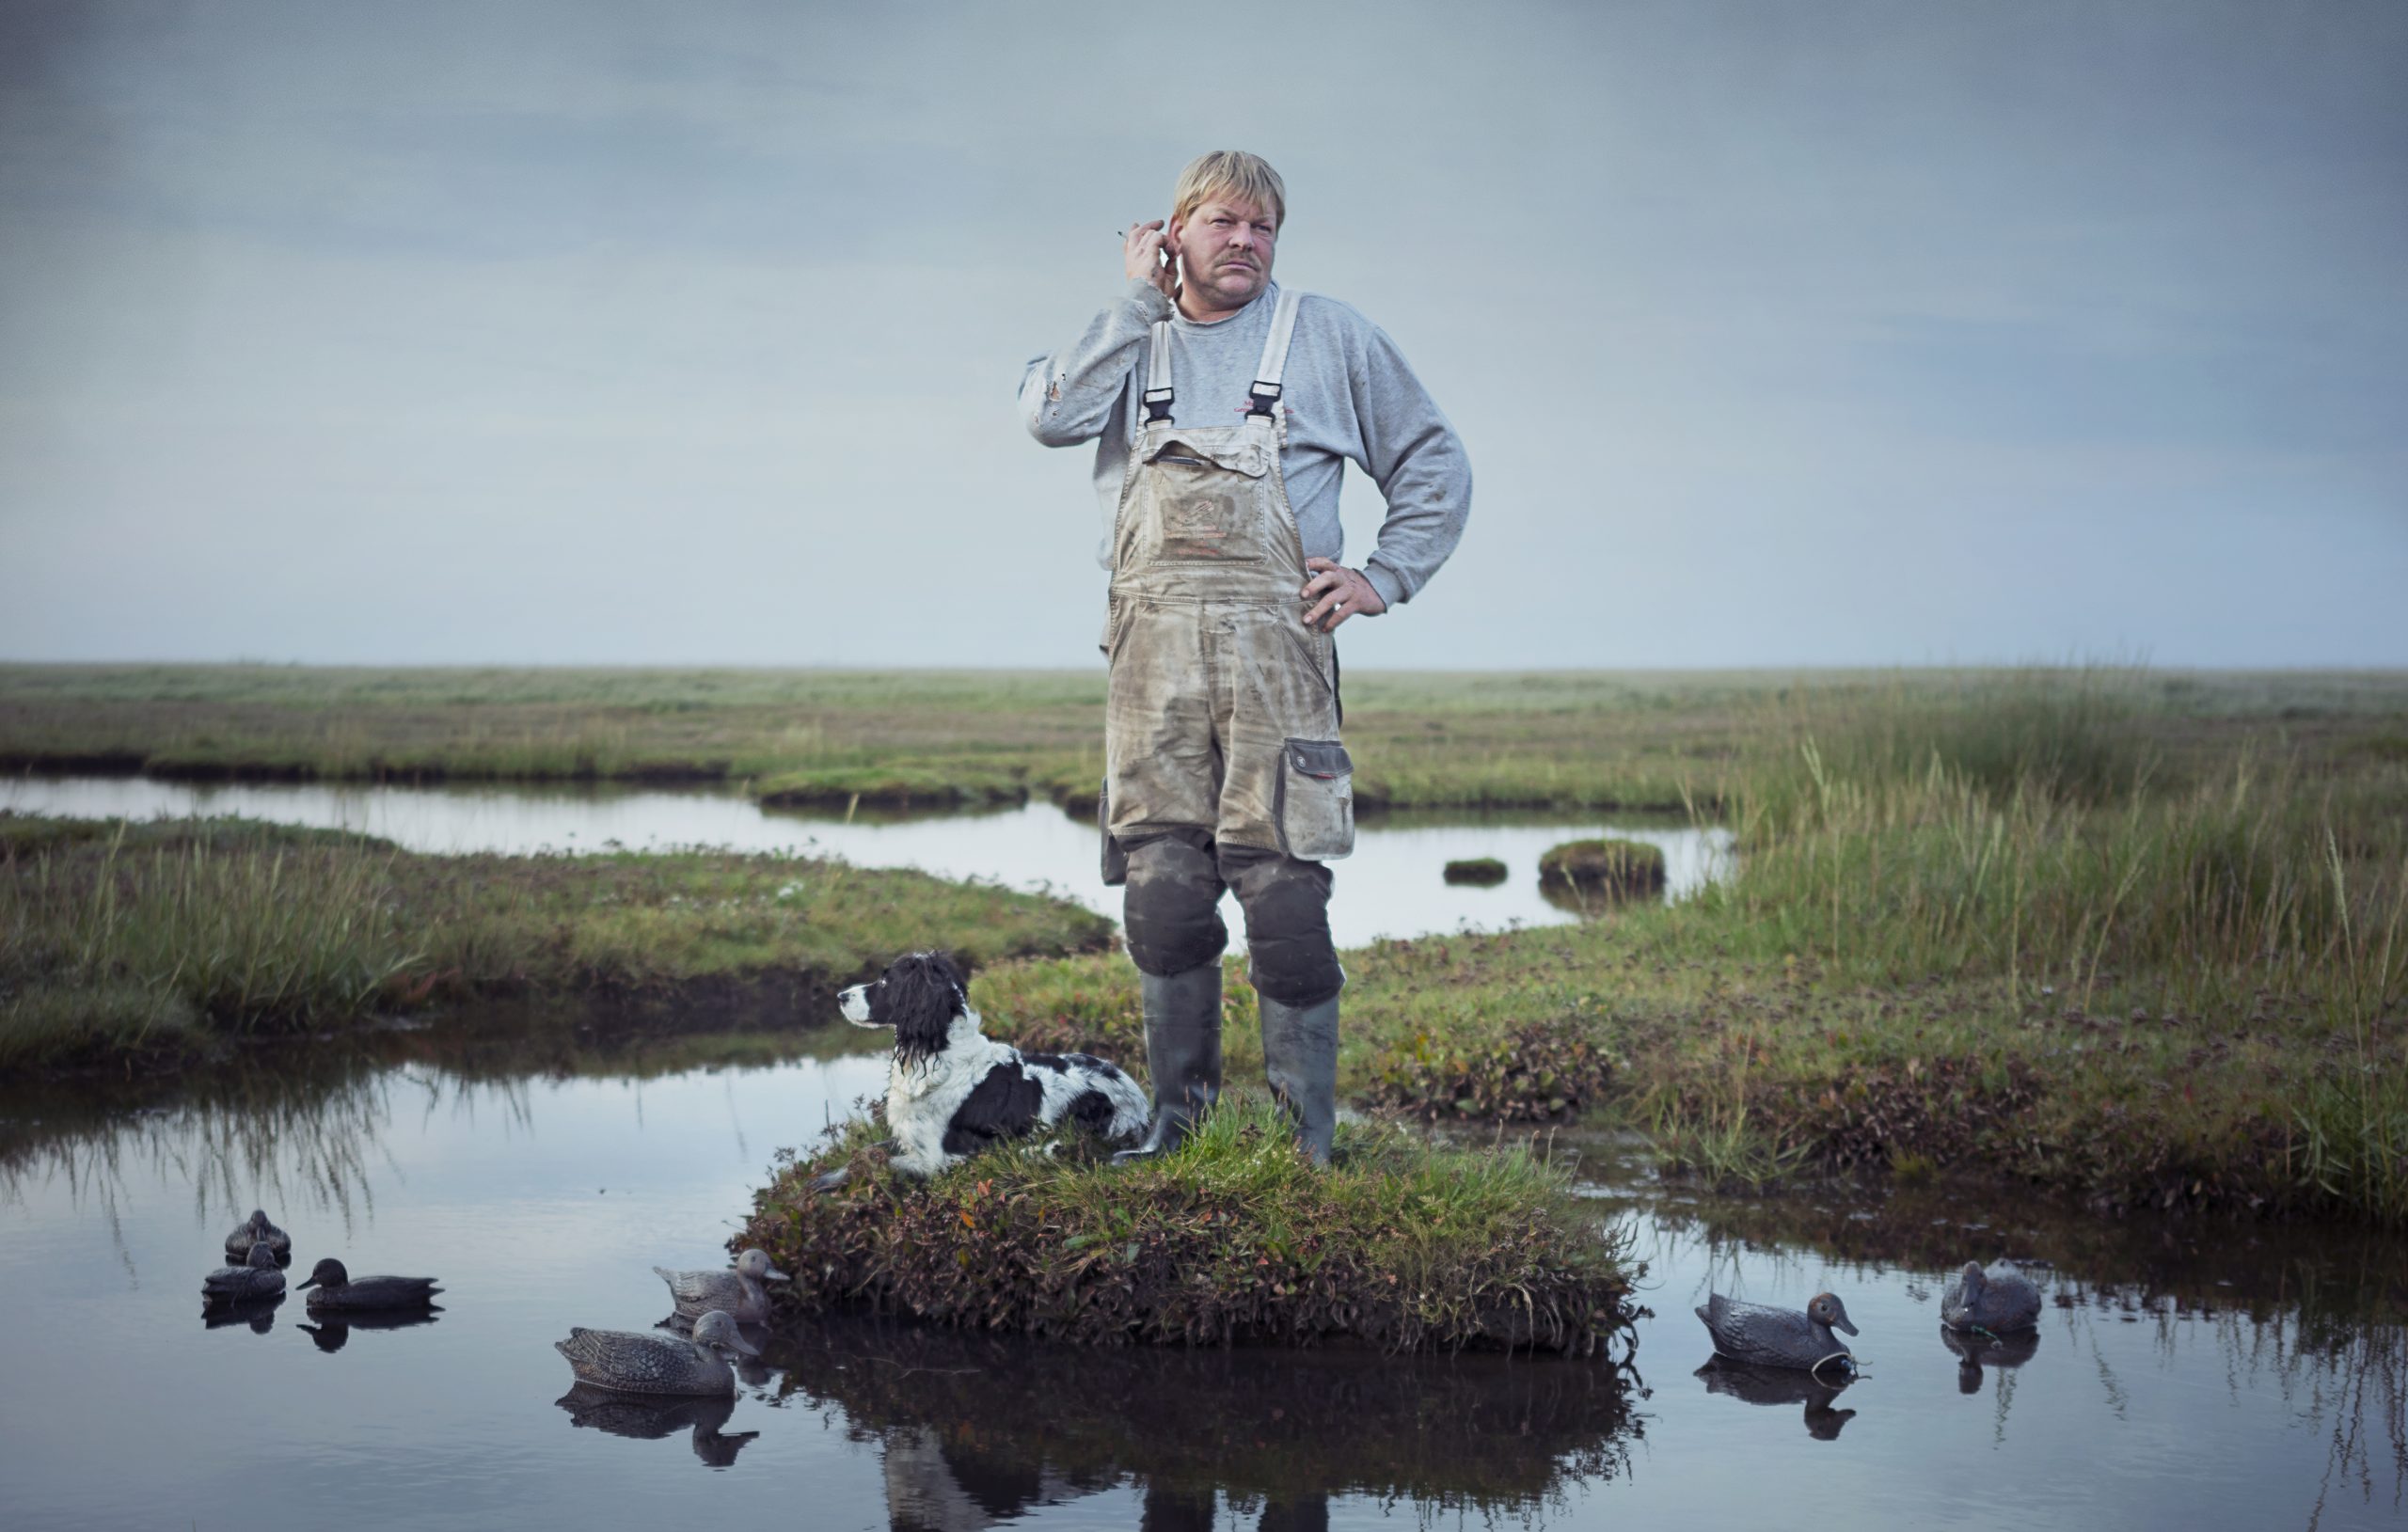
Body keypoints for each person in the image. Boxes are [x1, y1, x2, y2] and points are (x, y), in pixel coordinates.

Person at [1018, 150, 1470, 1163]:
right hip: (1152, 659)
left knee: (1286, 893)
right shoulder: (1128, 338)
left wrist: (1382, 575)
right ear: (1170, 232)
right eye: (1224, 222)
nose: (1248, 242)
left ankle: (1297, 1141)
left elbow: (1432, 459)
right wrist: (1133, 303)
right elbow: (1050, 418)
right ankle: (1181, 1128)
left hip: (1282, 653)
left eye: (1264, 227)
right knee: (1164, 888)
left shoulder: (1329, 335)